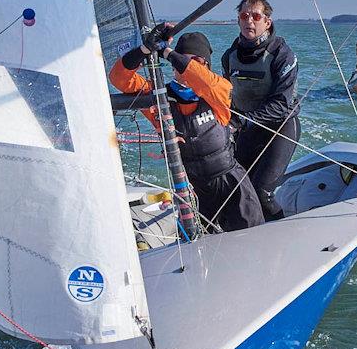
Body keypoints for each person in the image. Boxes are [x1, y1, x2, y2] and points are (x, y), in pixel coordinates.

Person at [109, 25, 265, 232]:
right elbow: (119, 78)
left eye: (197, 61)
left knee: (254, 239)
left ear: (206, 66)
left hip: (231, 182)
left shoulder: (218, 91)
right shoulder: (158, 99)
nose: (188, 66)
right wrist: (145, 50)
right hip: (191, 189)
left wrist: (167, 52)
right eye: (184, 59)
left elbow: (202, 80)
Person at [221, 0, 300, 221]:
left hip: (281, 127)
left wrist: (242, 120)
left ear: (267, 21)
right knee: (236, 188)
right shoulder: (229, 57)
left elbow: (281, 105)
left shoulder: (282, 55)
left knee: (261, 192)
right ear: (238, 21)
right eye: (244, 16)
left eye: (256, 16)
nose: (250, 21)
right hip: (247, 129)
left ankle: (280, 230)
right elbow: (227, 96)